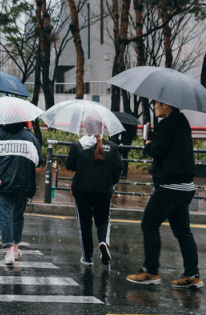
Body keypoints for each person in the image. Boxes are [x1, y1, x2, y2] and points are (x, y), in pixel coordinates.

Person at [126, 101, 202, 288]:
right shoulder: (182, 121)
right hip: (185, 186)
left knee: (149, 224)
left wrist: (148, 141)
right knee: (183, 232)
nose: (155, 107)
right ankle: (192, 275)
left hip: (170, 186)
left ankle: (151, 272)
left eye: (157, 104)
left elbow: (157, 151)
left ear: (167, 105)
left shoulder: (167, 123)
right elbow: (171, 148)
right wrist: (157, 138)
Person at [65, 116, 123, 266]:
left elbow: (70, 165)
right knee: (103, 220)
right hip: (104, 190)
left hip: (81, 190)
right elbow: (118, 169)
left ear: (85, 127)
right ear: (102, 128)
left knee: (84, 224)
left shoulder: (78, 145)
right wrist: (111, 182)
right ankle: (103, 241)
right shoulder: (112, 147)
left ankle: (87, 257)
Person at [0, 121, 42, 265]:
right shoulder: (29, 136)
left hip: (1, 181)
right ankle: (16, 248)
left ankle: (9, 252)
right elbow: (38, 160)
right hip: (23, 182)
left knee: (5, 216)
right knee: (18, 216)